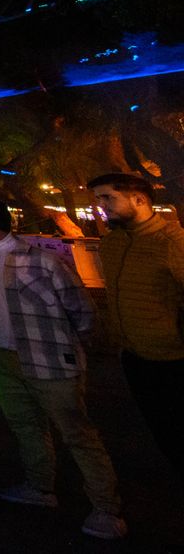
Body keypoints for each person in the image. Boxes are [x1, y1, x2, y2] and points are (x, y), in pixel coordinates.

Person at [0, 195, 123, 539]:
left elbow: (82, 310)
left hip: (49, 358)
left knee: (78, 433)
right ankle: (40, 487)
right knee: (25, 425)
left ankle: (107, 508)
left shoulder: (41, 260)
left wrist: (72, 346)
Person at [90, 172, 184, 480]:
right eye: (99, 198)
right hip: (132, 355)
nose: (101, 206)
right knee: (160, 428)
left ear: (139, 199)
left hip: (172, 360)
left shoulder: (172, 241)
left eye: (108, 198)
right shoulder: (113, 243)